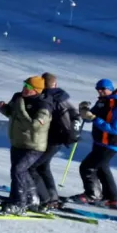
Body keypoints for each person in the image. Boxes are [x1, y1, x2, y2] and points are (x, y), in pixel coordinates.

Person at [0, 75, 52, 215]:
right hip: (18, 142)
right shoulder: (18, 97)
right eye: (24, 86)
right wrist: (4, 109)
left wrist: (21, 109)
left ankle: (19, 204)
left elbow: (34, 125)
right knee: (19, 172)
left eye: (28, 87)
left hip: (34, 146)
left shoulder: (43, 104)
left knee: (18, 170)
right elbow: (12, 114)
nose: (24, 89)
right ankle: (31, 199)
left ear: (37, 90)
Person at [73, 79, 117, 207]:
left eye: (103, 89)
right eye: (98, 89)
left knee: (87, 167)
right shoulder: (102, 102)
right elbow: (91, 117)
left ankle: (92, 195)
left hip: (111, 144)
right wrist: (84, 111)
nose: (100, 91)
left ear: (110, 89)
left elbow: (115, 129)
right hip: (100, 142)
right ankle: (112, 198)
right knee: (101, 168)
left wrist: (94, 118)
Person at [29, 72, 80, 211]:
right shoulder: (62, 96)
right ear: (55, 84)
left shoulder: (47, 97)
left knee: (32, 167)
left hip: (51, 138)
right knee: (43, 167)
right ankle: (52, 197)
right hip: (61, 138)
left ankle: (44, 199)